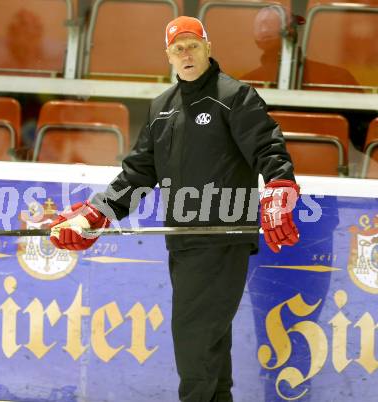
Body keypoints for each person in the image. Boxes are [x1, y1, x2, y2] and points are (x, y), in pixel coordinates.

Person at [49, 16, 300, 402]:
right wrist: (95, 214)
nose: (186, 53)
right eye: (177, 48)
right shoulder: (162, 107)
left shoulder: (234, 96)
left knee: (194, 339)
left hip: (222, 238)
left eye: (193, 45)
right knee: (207, 345)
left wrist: (279, 188)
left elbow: (268, 146)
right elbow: (137, 174)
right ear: (168, 55)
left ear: (208, 48)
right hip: (183, 241)